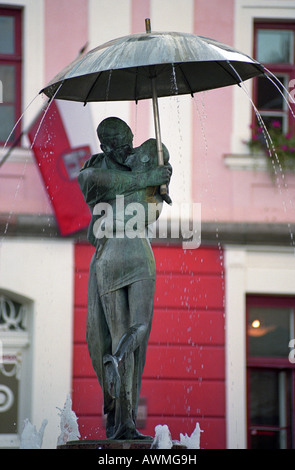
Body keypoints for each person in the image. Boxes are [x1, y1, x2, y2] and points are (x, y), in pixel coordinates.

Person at [77, 117, 172, 440]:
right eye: (120, 142)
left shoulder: (141, 164)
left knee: (131, 341)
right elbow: (93, 180)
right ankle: (122, 421)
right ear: (104, 146)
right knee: (129, 335)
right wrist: (149, 178)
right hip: (123, 253)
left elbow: (153, 211)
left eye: (129, 139)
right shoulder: (96, 169)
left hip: (122, 253)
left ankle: (125, 420)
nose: (127, 147)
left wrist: (160, 182)